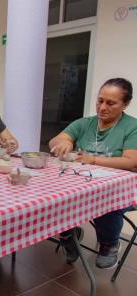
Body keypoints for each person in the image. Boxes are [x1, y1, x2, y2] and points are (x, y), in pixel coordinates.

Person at [49, 77, 137, 269]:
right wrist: (65, 142)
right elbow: (55, 141)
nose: (102, 107)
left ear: (126, 104)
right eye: (100, 100)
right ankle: (67, 235)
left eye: (110, 103)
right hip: (83, 183)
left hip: (122, 190)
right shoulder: (85, 123)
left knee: (107, 197)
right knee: (57, 193)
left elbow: (131, 161)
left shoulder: (132, 126)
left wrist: (93, 159)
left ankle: (109, 243)